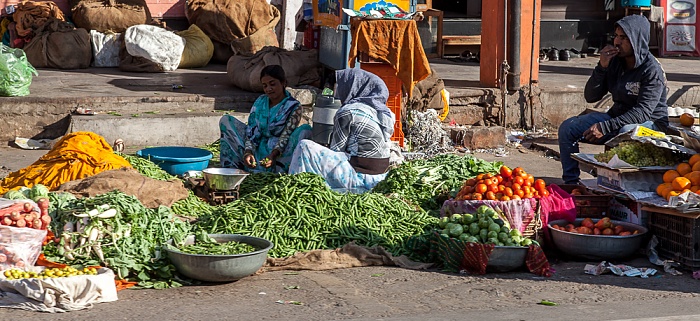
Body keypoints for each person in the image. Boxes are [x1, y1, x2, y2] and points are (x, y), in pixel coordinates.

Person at [557, 14, 668, 184]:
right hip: (617, 118)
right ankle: (572, 183)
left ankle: (619, 186)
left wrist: (606, 126)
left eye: (623, 38)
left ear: (637, 40)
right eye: (616, 36)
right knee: (568, 128)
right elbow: (591, 96)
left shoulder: (651, 70)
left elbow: (643, 112)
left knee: (626, 133)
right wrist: (601, 67)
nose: (617, 42)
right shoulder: (615, 62)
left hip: (650, 125)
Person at [288, 68, 395, 192]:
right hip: (380, 176)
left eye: (337, 87)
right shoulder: (382, 113)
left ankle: (296, 190)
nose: (335, 93)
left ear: (351, 87)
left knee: (304, 146)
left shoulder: (347, 111)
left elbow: (336, 149)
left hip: (358, 176)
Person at [219, 65, 312, 173]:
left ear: (283, 83)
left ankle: (282, 170)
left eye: (272, 84)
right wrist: (248, 151)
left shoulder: (294, 106)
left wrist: (273, 155)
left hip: (279, 152)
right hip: (257, 146)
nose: (268, 89)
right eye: (265, 86)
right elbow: (252, 130)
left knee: (305, 130)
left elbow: (286, 136)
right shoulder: (260, 101)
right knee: (226, 120)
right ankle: (233, 169)